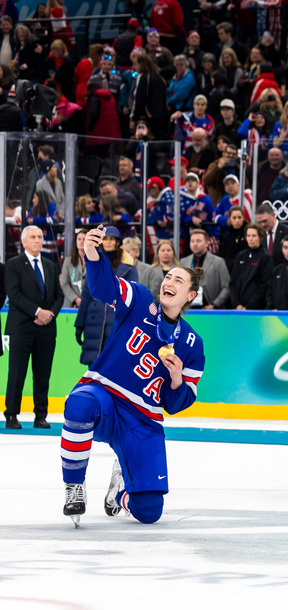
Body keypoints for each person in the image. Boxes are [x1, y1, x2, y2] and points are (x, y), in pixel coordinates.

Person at [59, 224, 204, 527]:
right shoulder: (139, 298)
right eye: (168, 276)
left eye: (179, 280)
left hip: (143, 419)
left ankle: (120, 492)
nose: (169, 281)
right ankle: (74, 487)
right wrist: (90, 252)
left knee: (149, 512)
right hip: (106, 397)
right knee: (78, 405)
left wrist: (177, 380)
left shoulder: (192, 343)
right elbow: (103, 288)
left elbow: (178, 403)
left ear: (190, 294)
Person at [4, 226, 64, 429]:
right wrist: (38, 311)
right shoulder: (13, 265)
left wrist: (49, 314)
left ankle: (41, 415)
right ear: (24, 241)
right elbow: (14, 294)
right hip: (21, 327)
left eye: (40, 236)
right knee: (17, 372)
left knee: (42, 374)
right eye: (33, 237)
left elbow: (59, 295)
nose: (38, 240)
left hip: (46, 329)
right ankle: (11, 414)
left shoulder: (50, 265)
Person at [74, 227, 140, 369]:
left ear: (117, 242)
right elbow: (86, 295)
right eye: (105, 239)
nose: (108, 242)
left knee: (115, 368)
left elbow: (134, 296)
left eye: (111, 239)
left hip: (117, 320)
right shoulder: (94, 262)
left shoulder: (129, 267)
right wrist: (79, 324)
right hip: (94, 321)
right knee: (94, 368)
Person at [179, 228, 231, 309]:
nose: (195, 244)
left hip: (212, 310)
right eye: (192, 241)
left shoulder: (218, 262)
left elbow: (226, 288)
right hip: (188, 310)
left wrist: (214, 305)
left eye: (198, 241)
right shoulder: (183, 262)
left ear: (207, 243)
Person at [230, 223, 273, 309]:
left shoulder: (266, 257)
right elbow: (232, 282)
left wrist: (249, 306)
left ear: (260, 237)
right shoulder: (240, 256)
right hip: (238, 308)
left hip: (256, 308)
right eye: (248, 235)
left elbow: (264, 285)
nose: (250, 239)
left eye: (253, 236)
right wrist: (236, 304)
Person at [254, 202, 288, 267]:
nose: (263, 225)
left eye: (265, 221)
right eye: (260, 222)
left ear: (273, 215)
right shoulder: (260, 234)